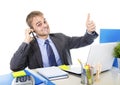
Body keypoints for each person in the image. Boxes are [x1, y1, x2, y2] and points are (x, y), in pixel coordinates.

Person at [10, 11, 98, 71]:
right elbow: (15, 67)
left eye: (44, 21)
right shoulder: (30, 47)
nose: (44, 25)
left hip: (66, 79)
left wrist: (90, 31)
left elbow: (84, 41)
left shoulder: (60, 38)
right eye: (39, 24)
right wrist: (26, 42)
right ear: (32, 29)